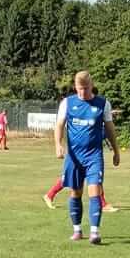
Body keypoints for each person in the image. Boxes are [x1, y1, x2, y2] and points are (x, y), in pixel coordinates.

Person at [54, 71, 120, 244]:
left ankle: (94, 232)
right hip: (74, 157)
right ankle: (77, 230)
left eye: (85, 88)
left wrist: (116, 151)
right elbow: (59, 125)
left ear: (91, 86)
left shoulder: (102, 104)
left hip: (94, 157)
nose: (82, 92)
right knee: (75, 193)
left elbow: (110, 129)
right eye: (79, 89)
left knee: (94, 191)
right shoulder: (67, 103)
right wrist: (58, 145)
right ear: (75, 87)